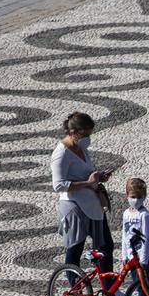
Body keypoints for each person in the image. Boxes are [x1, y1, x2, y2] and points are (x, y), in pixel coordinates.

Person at [52, 111, 114, 276]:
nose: (88, 138)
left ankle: (109, 289)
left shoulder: (81, 148)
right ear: (73, 132)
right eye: (85, 134)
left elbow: (85, 173)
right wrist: (87, 183)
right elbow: (58, 185)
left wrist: (98, 176)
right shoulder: (61, 154)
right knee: (75, 249)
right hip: (75, 207)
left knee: (105, 247)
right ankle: (76, 295)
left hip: (92, 206)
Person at [120, 178, 149, 272]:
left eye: (139, 197)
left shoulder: (144, 215)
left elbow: (148, 238)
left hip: (143, 259)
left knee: (142, 285)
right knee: (135, 284)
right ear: (127, 195)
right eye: (133, 197)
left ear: (144, 196)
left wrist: (143, 260)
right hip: (131, 258)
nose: (136, 200)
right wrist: (124, 256)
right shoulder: (126, 213)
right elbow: (125, 235)